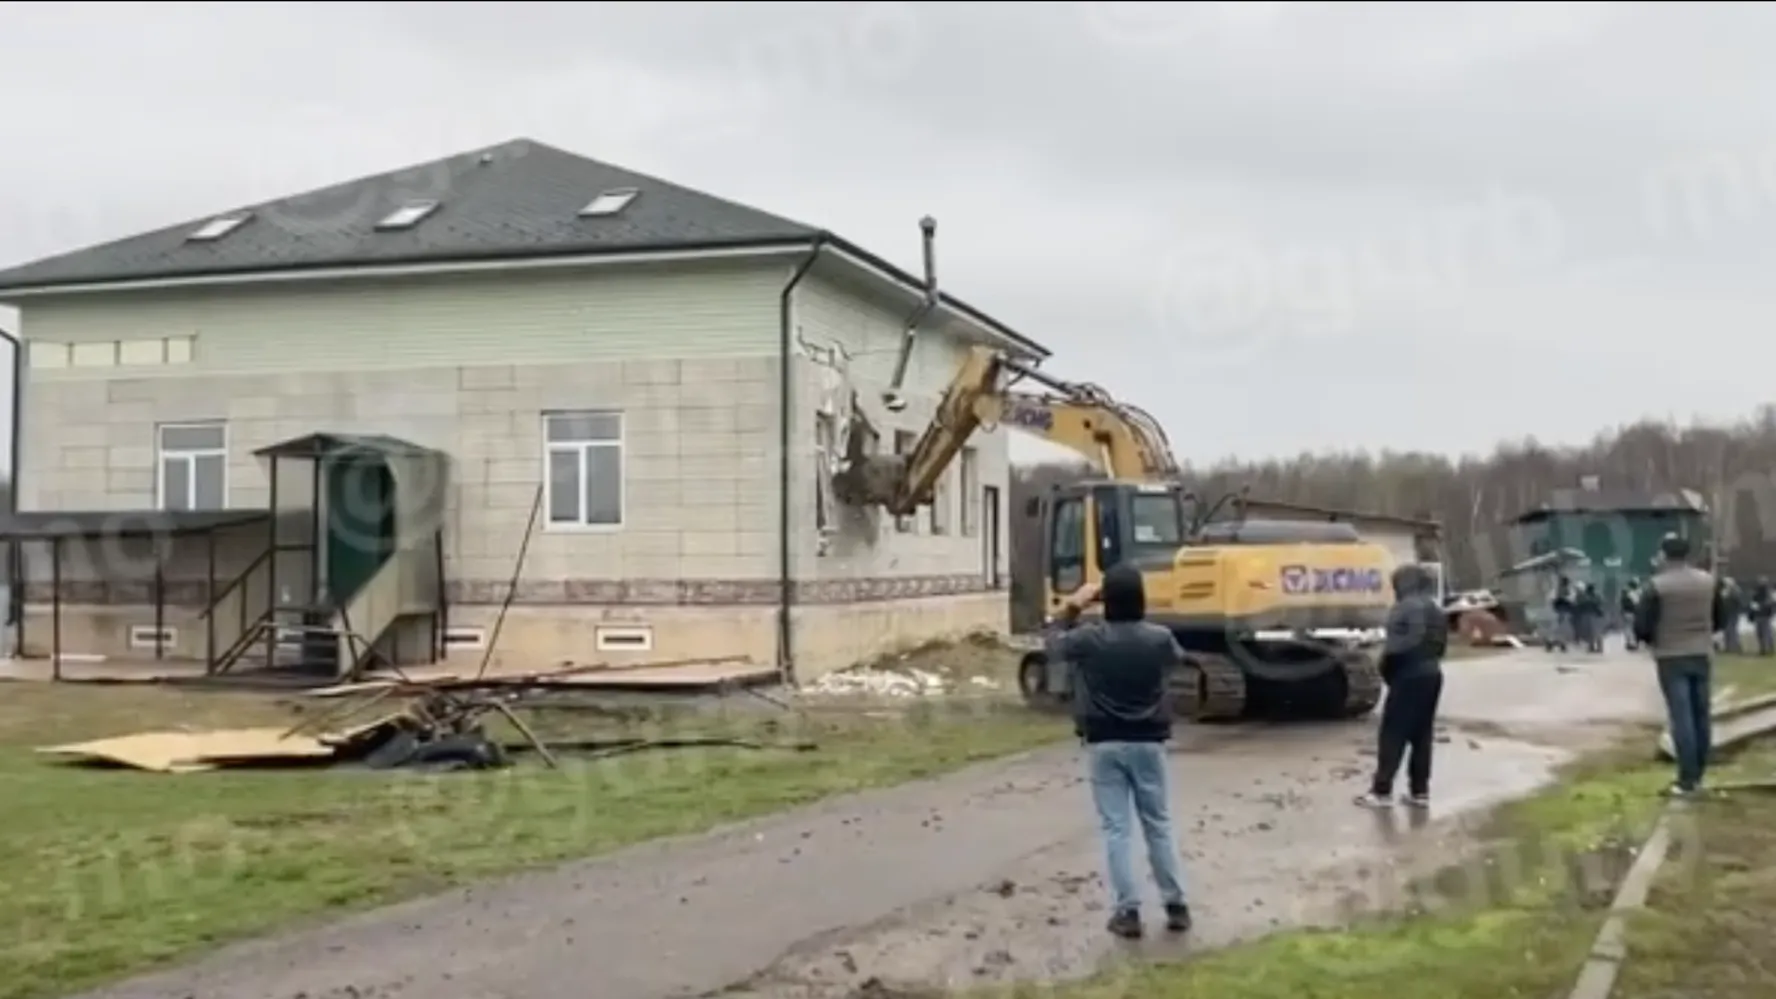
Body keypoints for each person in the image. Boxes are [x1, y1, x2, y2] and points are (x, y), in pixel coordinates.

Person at [1048, 563, 1192, 939]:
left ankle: (1127, 912)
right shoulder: (1159, 638)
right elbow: (1177, 659)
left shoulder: (1089, 640)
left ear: (1105, 600)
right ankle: (1175, 904)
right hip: (1150, 743)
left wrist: (1074, 606)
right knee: (1158, 825)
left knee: (1117, 829)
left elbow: (1052, 644)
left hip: (1104, 743)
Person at [1634, 534, 1727, 797]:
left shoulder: (1656, 585)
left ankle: (1686, 779)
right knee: (1701, 714)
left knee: (1681, 716)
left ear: (1664, 555)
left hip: (1671, 655)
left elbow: (1642, 624)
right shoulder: (1709, 582)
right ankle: (1698, 774)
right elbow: (1721, 616)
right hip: (1701, 653)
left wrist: (1649, 640)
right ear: (1688, 555)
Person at [1355, 563, 1449, 809]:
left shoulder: (1403, 608)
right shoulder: (1436, 610)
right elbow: (1441, 646)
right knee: (1422, 735)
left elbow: (1397, 648)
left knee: (1392, 734)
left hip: (1408, 675)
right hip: (1433, 673)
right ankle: (1420, 791)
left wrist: (1385, 670)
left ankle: (1381, 791)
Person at [1575, 583, 1605, 653]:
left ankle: (1596, 647)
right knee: (1592, 632)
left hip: (1591, 615)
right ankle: (1594, 646)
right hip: (1592, 615)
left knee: (1593, 632)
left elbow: (1580, 605)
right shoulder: (1593, 596)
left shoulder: (1588, 597)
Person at [1717, 576, 1744, 654]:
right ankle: (1728, 646)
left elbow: (1737, 602)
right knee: (1727, 631)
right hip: (1727, 614)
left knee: (1732, 630)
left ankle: (1734, 647)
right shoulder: (1725, 591)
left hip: (1733, 614)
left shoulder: (1735, 591)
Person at [1751, 577, 1775, 657]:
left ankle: (1768, 648)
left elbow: (1770, 604)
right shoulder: (1757, 593)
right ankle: (1763, 648)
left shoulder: (1767, 593)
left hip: (1764, 616)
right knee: (1761, 633)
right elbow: (1753, 603)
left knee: (1765, 633)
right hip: (1760, 615)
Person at [1550, 575, 1574, 651]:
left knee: (1561, 629)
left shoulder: (1560, 590)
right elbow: (1570, 600)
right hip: (1561, 612)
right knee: (1561, 629)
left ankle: (1558, 643)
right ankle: (1557, 643)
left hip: (1562, 612)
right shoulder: (1559, 591)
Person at [1620, 578, 1643, 651]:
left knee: (1627, 628)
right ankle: (1632, 643)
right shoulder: (1632, 593)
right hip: (1632, 612)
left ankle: (1628, 642)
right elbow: (1637, 603)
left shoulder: (1625, 592)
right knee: (1632, 628)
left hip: (1625, 612)